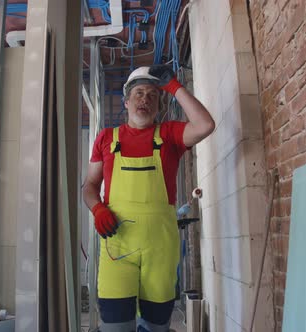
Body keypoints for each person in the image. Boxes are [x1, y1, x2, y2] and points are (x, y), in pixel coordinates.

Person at [82, 65, 215, 332]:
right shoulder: (106, 139)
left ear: (159, 104)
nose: (145, 99)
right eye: (139, 93)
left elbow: (205, 125)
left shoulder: (169, 135)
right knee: (115, 326)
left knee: (156, 327)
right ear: (127, 101)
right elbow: (90, 186)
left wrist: (174, 86)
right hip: (118, 247)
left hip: (160, 251)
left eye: (153, 95)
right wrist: (97, 210)